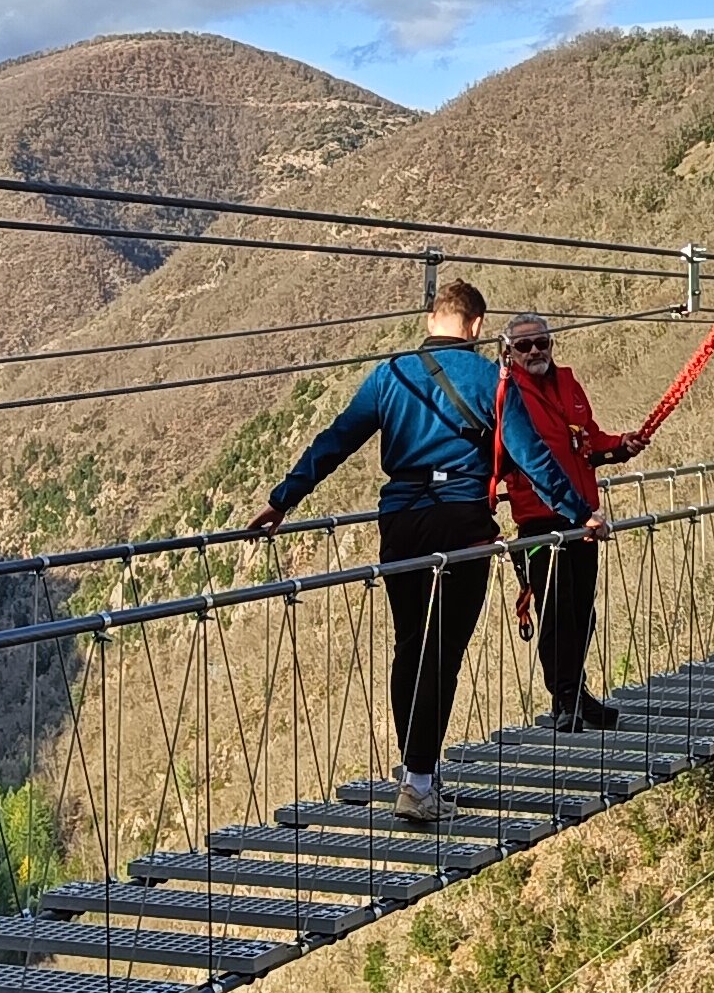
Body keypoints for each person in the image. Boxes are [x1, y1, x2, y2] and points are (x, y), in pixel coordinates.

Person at [251, 281, 594, 822]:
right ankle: (419, 782)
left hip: (401, 522)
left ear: (432, 320)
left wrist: (282, 501)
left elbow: (336, 440)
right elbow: (532, 458)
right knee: (444, 652)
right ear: (478, 326)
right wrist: (580, 514)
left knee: (410, 647)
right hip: (462, 523)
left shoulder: (389, 375)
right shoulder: (492, 378)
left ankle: (416, 774)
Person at [497, 312, 644, 730]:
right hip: (541, 522)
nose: (535, 352)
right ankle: (564, 700)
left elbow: (587, 439)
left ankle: (576, 692)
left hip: (583, 520)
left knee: (582, 612)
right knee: (556, 613)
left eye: (541, 343)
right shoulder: (506, 393)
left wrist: (620, 446)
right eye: (524, 346)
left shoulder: (567, 384)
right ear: (508, 351)